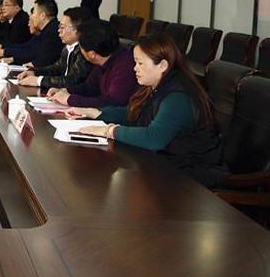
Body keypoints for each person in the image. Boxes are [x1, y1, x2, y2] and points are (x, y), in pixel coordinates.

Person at [70, 33, 228, 187]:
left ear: (162, 66)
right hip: (163, 163)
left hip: (190, 177)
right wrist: (95, 112)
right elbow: (133, 113)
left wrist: (109, 131)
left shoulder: (178, 97)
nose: (134, 68)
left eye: (140, 63)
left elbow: (154, 138)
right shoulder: (155, 85)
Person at [48, 19, 138, 108]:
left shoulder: (125, 65)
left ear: (92, 54)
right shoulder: (102, 59)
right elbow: (90, 87)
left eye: (80, 47)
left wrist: (70, 99)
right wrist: (66, 91)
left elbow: (112, 102)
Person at [17, 7, 93, 89]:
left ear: (77, 29)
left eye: (62, 27)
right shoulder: (68, 47)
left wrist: (39, 81)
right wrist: (34, 72)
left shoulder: (85, 51)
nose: (59, 30)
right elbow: (56, 68)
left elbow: (73, 81)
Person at [0, 0, 62, 67]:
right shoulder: (47, 29)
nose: (31, 17)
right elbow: (28, 47)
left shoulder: (52, 32)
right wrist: (9, 55)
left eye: (34, 13)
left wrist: (6, 53)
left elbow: (36, 55)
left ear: (42, 15)